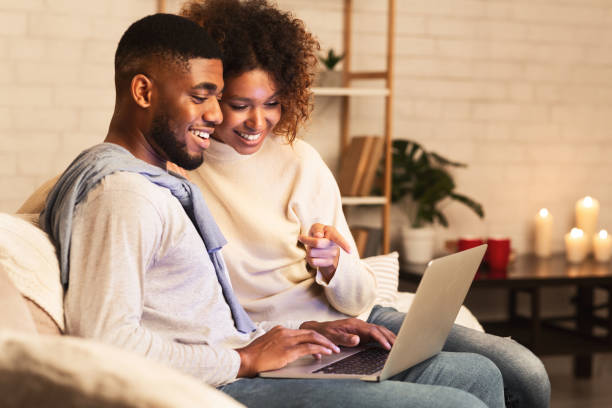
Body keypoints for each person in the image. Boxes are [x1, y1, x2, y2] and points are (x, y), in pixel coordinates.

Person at [40, 12, 505, 408]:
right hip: (227, 379)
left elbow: (211, 319)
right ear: (143, 92)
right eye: (205, 98)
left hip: (253, 351)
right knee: (461, 401)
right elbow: (104, 343)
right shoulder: (124, 194)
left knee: (483, 376)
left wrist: (300, 330)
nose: (219, 115)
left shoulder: (156, 185)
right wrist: (245, 358)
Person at [177, 1, 551, 407]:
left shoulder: (300, 160)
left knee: (522, 371)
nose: (258, 122)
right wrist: (307, 327)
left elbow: (356, 298)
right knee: (471, 384)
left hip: (355, 317)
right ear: (210, 96)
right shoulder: (184, 173)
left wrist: (336, 266)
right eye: (240, 105)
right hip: (291, 336)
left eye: (271, 103)